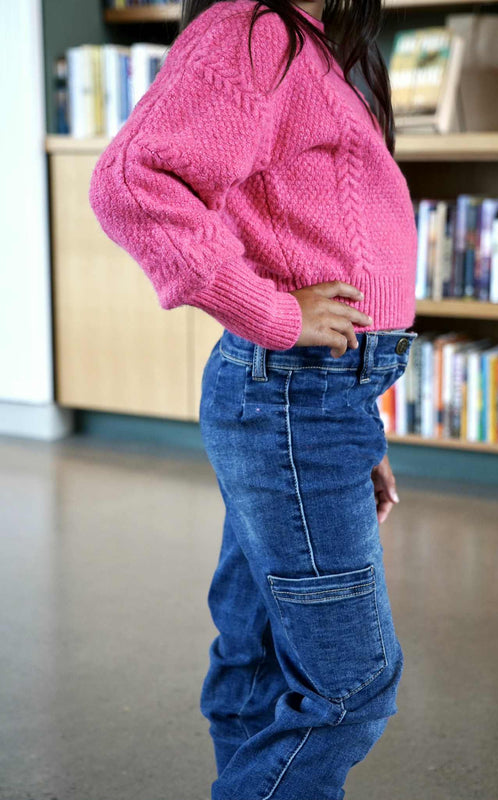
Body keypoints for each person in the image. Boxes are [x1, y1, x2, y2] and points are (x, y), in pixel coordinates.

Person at [89, 0, 419, 796]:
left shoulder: (302, 42)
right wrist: (273, 311)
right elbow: (131, 183)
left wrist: (358, 429)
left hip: (314, 406)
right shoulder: (253, 29)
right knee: (352, 683)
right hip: (294, 401)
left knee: (258, 651)